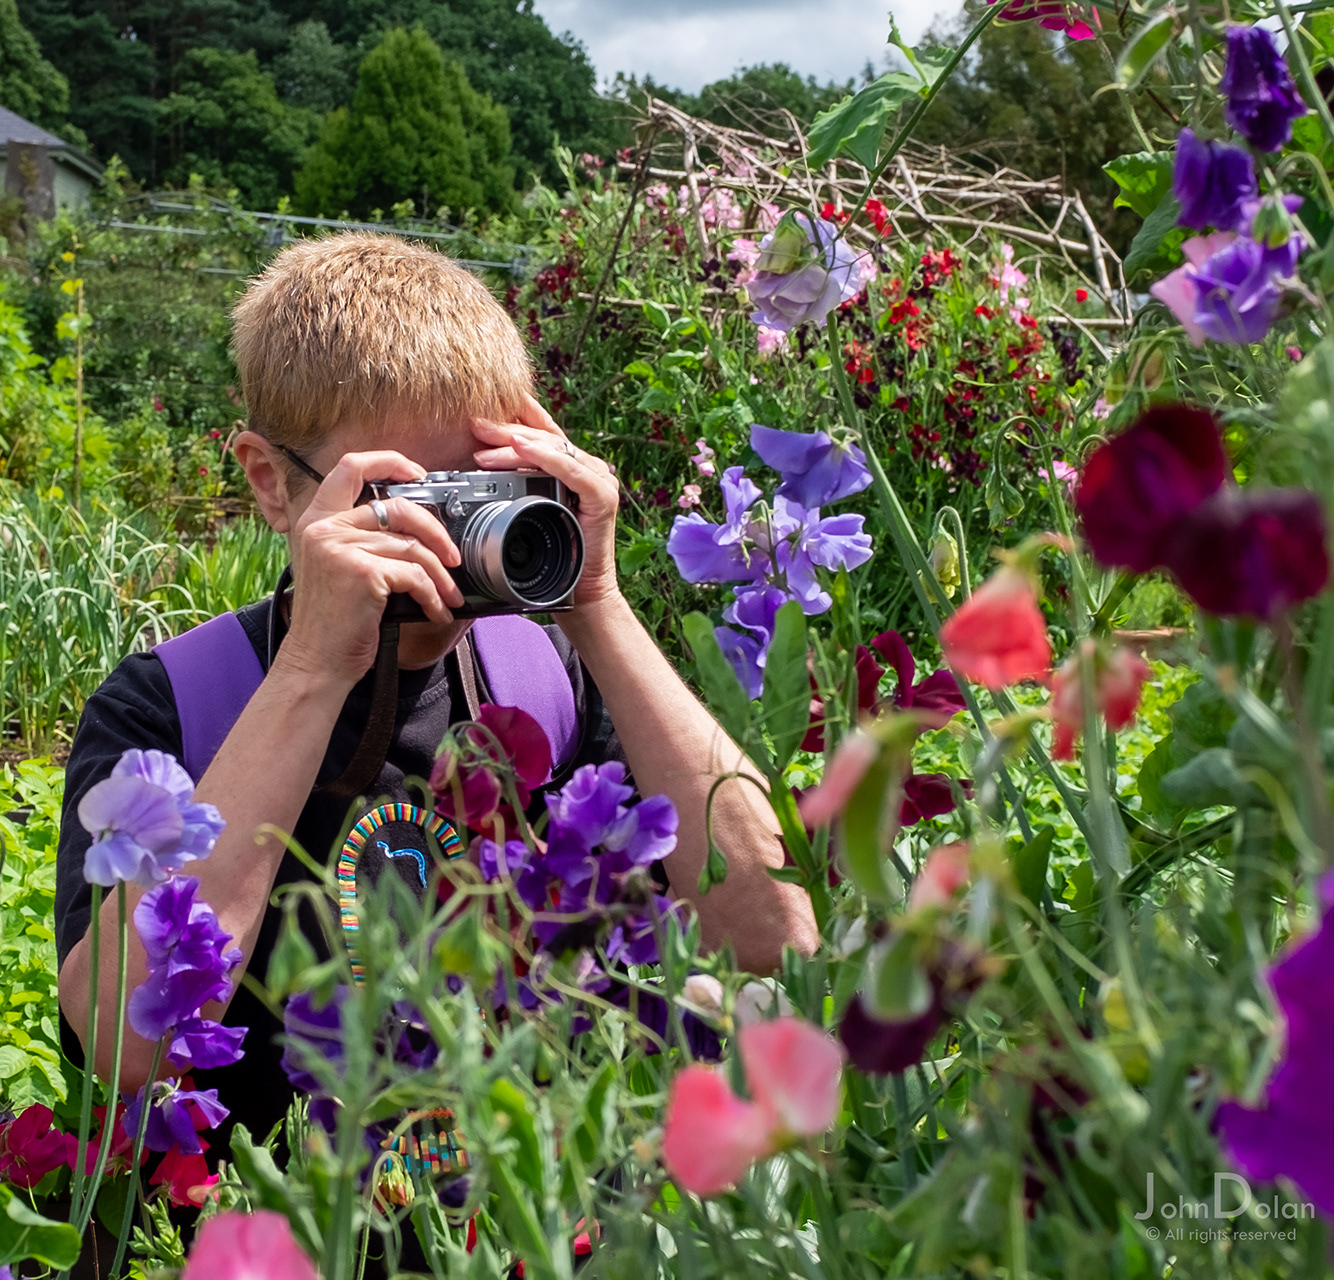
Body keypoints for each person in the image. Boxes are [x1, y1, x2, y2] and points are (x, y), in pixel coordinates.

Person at [55, 232, 818, 1165]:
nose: (458, 539)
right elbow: (121, 1047)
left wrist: (600, 608)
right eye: (409, 494)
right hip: (268, 1233)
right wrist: (310, 673)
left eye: (489, 490)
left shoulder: (544, 676)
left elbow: (776, 942)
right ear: (272, 483)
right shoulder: (172, 706)